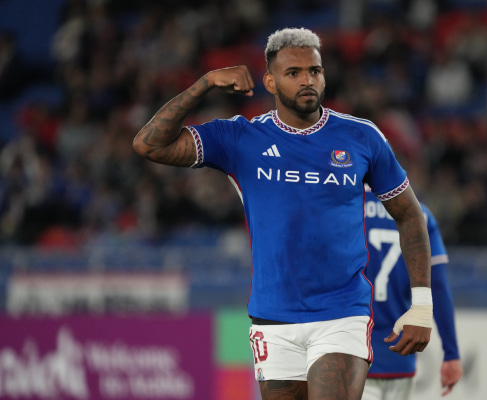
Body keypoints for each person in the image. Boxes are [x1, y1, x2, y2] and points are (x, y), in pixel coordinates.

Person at [132, 27, 433, 400]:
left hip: (341, 314)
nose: (307, 80)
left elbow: (409, 214)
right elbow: (148, 145)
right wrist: (204, 84)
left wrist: (422, 305)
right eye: (294, 73)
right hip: (272, 317)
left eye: (315, 71)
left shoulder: (361, 137)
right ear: (270, 82)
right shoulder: (241, 138)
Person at [362, 186, 462, 400]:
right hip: (401, 356)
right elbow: (438, 287)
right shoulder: (421, 214)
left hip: (354, 356)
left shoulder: (345, 208)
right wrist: (451, 354)